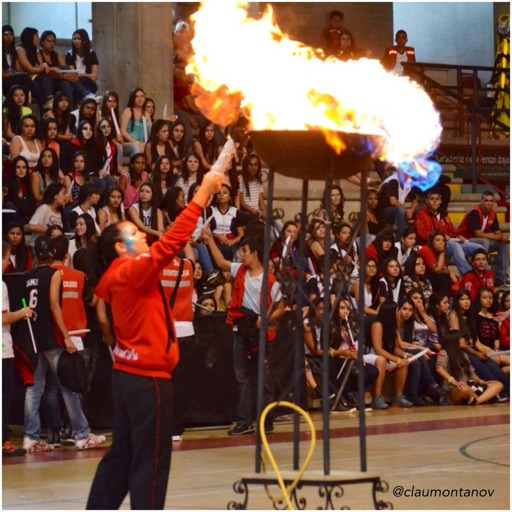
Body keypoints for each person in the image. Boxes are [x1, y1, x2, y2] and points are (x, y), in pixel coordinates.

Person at [85, 169, 223, 510]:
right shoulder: (131, 270)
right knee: (152, 460)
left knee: (124, 454)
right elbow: (173, 241)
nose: (142, 235)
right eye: (134, 233)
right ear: (120, 247)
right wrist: (202, 193)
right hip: (147, 380)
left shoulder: (120, 274)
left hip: (128, 376)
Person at [20, 235, 106, 452]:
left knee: (34, 389)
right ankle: (81, 434)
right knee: (69, 387)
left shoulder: (27, 275)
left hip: (32, 338)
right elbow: (53, 306)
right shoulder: (55, 273)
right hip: (51, 338)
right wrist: (66, 336)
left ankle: (30, 437)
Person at [202, 229, 285, 435]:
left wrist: (265, 319)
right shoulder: (239, 270)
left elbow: (281, 308)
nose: (242, 255)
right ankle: (245, 420)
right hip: (241, 330)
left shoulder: (271, 280)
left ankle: (266, 419)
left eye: (245, 251)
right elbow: (221, 262)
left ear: (255, 253)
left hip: (261, 334)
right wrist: (209, 239)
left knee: (263, 378)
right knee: (242, 378)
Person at [2, 240, 32, 456]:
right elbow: (3, 318)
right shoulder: (1, 285)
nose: (8, 262)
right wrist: (23, 313)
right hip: (2, 349)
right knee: (5, 396)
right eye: (6, 258)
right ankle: (3, 441)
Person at [414, 188, 481, 276]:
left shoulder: (444, 214)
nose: (435, 201)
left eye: (437, 199)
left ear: (440, 201)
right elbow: (422, 234)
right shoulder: (421, 214)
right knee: (455, 246)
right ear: (426, 201)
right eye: (432, 199)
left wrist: (458, 236)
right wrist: (441, 237)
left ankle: (483, 275)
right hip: (433, 244)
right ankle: (468, 276)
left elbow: (452, 231)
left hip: (450, 241)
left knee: (478, 247)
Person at [456, 190, 510, 286]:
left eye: (491, 201)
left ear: (493, 202)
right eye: (486, 200)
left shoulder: (493, 213)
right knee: (484, 241)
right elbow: (478, 234)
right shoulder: (474, 212)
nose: (489, 203)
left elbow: (496, 230)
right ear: (481, 201)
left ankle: (501, 278)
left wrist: (502, 237)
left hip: (479, 242)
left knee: (502, 244)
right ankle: (485, 275)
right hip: (465, 240)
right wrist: (497, 237)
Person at [436, 331, 503, 405]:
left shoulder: (464, 354)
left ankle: (477, 401)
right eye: (461, 338)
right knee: (464, 388)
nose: (464, 340)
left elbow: (472, 374)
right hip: (454, 389)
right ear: (453, 340)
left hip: (471, 386)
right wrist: (454, 381)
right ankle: (485, 399)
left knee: (498, 384)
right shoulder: (443, 352)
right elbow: (439, 369)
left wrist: (481, 382)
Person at [378, 172, 418, 240]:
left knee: (416, 212)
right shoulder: (393, 181)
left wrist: (411, 210)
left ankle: (413, 239)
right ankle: (401, 239)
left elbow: (415, 200)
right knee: (399, 211)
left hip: (396, 210)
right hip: (383, 211)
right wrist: (406, 210)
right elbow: (393, 201)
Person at [65, 29, 99, 105]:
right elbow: (73, 73)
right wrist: (79, 75)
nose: (76, 41)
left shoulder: (91, 53)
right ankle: (87, 95)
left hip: (88, 82)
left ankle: (86, 98)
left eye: (79, 39)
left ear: (84, 40)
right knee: (76, 83)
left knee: (82, 81)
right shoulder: (69, 54)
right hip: (75, 81)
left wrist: (81, 75)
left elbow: (94, 76)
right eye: (74, 39)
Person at [2, 24, 31, 93]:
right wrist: (12, 74)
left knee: (25, 76)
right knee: (25, 78)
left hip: (12, 77)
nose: (9, 37)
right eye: (5, 35)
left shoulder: (14, 51)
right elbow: (2, 74)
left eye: (11, 34)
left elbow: (17, 69)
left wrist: (19, 73)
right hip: (3, 79)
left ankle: (24, 98)